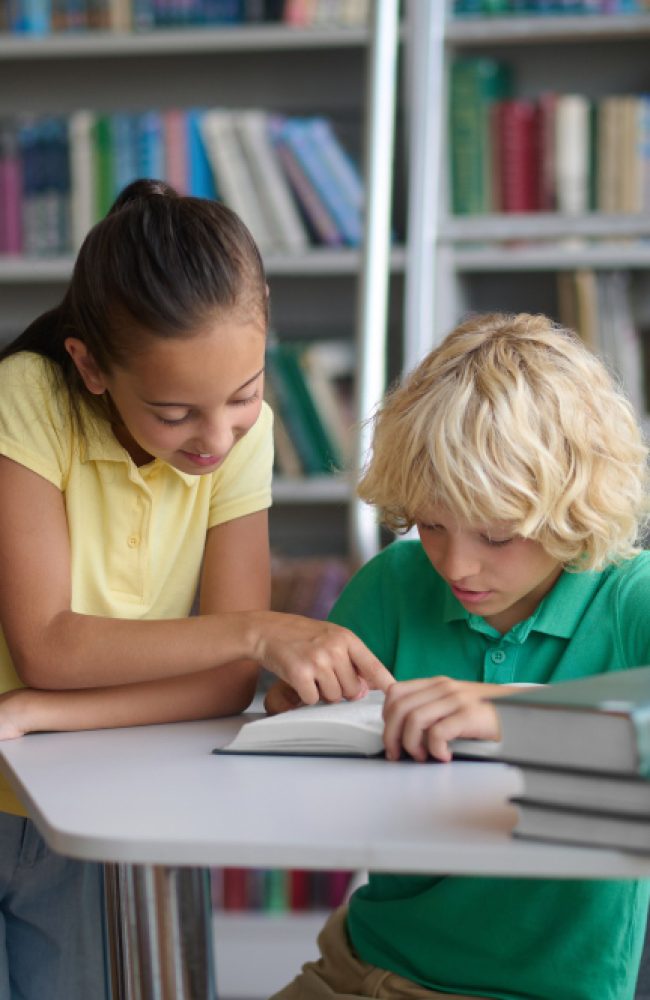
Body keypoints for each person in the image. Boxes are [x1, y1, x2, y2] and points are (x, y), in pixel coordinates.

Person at [0, 179, 392, 1000]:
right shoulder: (27, 398)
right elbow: (50, 644)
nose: (217, 436)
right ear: (90, 367)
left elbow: (220, 686)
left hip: (103, 785)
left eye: (244, 396)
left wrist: (39, 713)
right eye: (174, 412)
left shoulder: (241, 435)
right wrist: (250, 629)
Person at [266, 311, 650, 1000]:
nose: (457, 565)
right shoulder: (393, 583)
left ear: (576, 508)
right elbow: (310, 749)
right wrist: (297, 712)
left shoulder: (629, 599)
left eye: (498, 536)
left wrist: (506, 712)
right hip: (361, 967)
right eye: (432, 524)